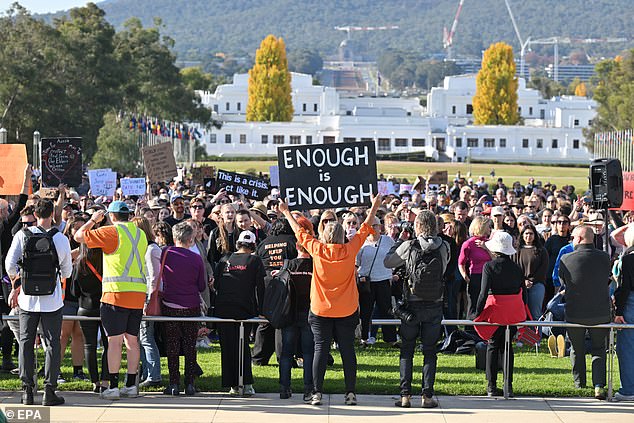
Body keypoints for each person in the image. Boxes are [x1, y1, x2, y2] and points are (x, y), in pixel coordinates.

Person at [278, 194, 382, 407]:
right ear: (343, 234)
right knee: (347, 351)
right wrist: (374, 206)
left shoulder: (317, 249)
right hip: (347, 310)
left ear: (324, 235)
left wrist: (286, 211)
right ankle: (350, 393)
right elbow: (366, 225)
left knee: (320, 350)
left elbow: (299, 231)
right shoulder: (350, 249)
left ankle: (316, 393)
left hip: (320, 310)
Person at [74, 201, 148, 400]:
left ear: (112, 216)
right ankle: (131, 384)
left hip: (115, 293)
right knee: (132, 340)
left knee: (114, 342)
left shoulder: (111, 232)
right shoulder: (140, 233)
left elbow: (78, 236)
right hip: (138, 293)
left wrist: (92, 220)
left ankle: (113, 386)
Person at [5, 198, 72, 406]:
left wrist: (19, 281)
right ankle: (49, 390)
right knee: (53, 344)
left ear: (35, 214)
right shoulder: (60, 239)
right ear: (52, 214)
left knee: (25, 342)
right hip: (52, 300)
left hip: (27, 300)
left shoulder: (21, 235)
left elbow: (10, 265)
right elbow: (67, 271)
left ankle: (27, 390)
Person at [383, 210, 449, 408]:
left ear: (417, 226)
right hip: (435, 303)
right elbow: (444, 269)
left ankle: (405, 396)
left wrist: (398, 240)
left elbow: (388, 262)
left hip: (412, 303)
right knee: (430, 351)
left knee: (407, 350)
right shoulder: (444, 246)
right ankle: (427, 396)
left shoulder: (409, 245)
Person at [558, 225, 611, 400]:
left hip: (575, 312)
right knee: (599, 349)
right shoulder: (605, 257)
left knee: (576, 349)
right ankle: (598, 386)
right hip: (600, 312)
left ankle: (579, 383)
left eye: (573, 237)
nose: (572, 240)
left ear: (579, 239)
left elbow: (562, 281)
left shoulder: (566, 258)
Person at [213, 230, 265, 397]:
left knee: (227, 347)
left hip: (223, 309)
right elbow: (260, 288)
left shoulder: (224, 260)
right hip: (244, 309)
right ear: (253, 245)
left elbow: (217, 285)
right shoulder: (255, 260)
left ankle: (233, 385)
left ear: (238, 244)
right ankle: (246, 383)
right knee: (242, 347)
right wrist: (262, 311)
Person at [474, 231, 525, 397]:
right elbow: (522, 291)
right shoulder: (517, 268)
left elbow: (482, 293)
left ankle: (491, 385)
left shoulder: (489, 266)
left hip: (496, 311)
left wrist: (478, 312)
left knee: (493, 346)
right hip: (513, 312)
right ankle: (508, 386)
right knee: (507, 347)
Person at [159, 222, 207, 396]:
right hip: (191, 305)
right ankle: (190, 384)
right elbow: (201, 286)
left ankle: (173, 384)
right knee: (189, 346)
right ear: (191, 239)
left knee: (172, 346)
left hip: (170, 304)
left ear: (174, 237)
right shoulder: (196, 258)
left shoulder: (165, 253)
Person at [278, 215, 315, 401]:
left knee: (287, 353)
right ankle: (308, 388)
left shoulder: (288, 265)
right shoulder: (315, 265)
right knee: (308, 353)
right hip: (308, 313)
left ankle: (284, 388)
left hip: (290, 313)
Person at [131, 217, 162, 388]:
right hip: (141, 296)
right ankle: (147, 372)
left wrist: (148, 302)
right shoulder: (144, 248)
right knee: (141, 338)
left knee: (146, 338)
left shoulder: (151, 250)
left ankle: (153, 375)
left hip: (148, 298)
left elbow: (154, 278)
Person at [357, 216, 397, 346]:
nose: (373, 228)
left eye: (376, 225)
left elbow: (394, 257)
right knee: (366, 312)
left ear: (380, 227)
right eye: (371, 225)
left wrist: (393, 273)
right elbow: (356, 263)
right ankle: (364, 338)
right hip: (366, 281)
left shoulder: (388, 241)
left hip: (384, 279)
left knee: (387, 310)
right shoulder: (361, 242)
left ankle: (390, 338)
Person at [514, 224, 549, 336]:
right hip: (520, 285)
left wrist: (531, 281)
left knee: (535, 312)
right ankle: (521, 336)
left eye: (531, 233)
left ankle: (536, 337)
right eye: (526, 234)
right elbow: (514, 268)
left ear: (535, 235)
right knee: (520, 312)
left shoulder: (541, 250)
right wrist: (523, 281)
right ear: (522, 235)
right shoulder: (516, 251)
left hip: (537, 284)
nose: (528, 236)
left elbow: (543, 268)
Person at [458, 216, 492, 321]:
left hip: (489, 277)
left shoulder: (490, 242)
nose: (489, 229)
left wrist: (486, 248)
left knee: (487, 304)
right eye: (487, 226)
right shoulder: (468, 244)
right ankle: (470, 330)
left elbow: (495, 259)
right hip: (475, 277)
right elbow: (461, 263)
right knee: (473, 304)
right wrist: (466, 277)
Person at [613, 226, 634, 401]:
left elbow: (624, 288)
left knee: (627, 348)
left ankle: (628, 389)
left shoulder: (628, 260)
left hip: (631, 303)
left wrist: (618, 311)